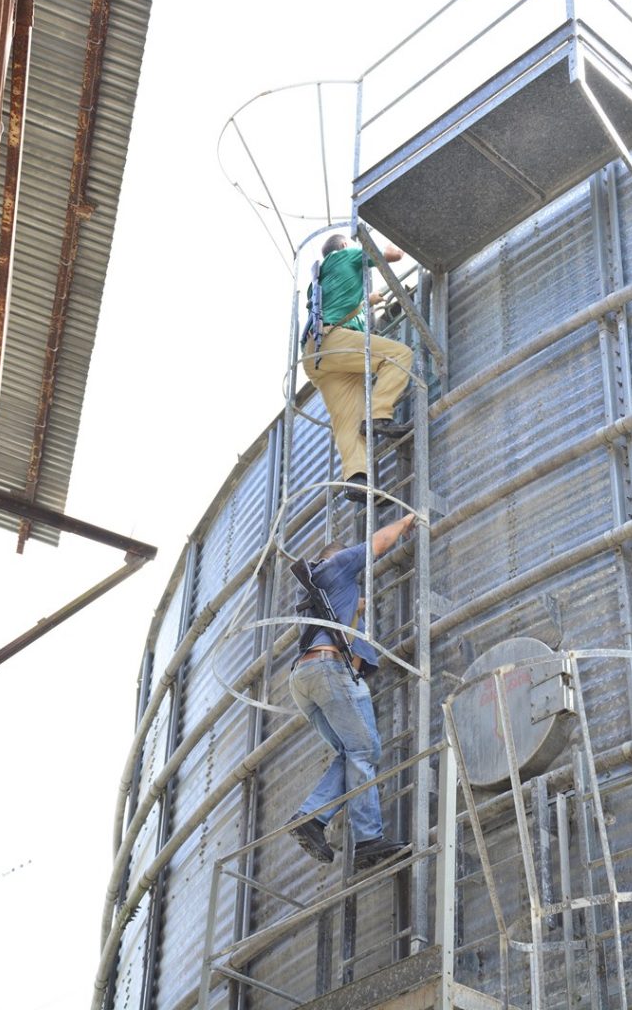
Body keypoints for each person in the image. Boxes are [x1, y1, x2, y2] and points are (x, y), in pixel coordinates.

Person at [287, 512, 416, 870]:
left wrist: (356, 604)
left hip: (305, 678)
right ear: (336, 557)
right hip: (330, 671)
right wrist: (405, 522)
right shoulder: (337, 564)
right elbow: (376, 544)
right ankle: (368, 839)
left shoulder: (313, 588)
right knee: (365, 749)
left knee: (350, 755)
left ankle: (312, 819)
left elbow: (340, 612)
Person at [301, 234, 414, 504]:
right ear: (342, 247)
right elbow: (392, 255)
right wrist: (400, 245)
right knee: (399, 354)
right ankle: (379, 413)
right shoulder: (345, 256)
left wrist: (368, 302)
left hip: (316, 355)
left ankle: (356, 479)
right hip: (335, 341)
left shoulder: (317, 281)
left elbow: (340, 304)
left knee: (347, 422)